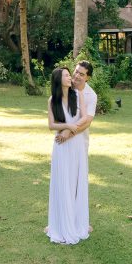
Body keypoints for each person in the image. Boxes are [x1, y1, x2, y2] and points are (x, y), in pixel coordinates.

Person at [46, 66, 90, 245]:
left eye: (68, 75)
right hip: (61, 148)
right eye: (66, 75)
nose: (70, 77)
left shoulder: (77, 94)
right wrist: (66, 127)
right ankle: (61, 225)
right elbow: (51, 125)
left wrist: (72, 128)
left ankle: (76, 223)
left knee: (75, 183)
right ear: (58, 80)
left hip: (76, 145)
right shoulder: (52, 100)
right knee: (63, 182)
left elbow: (85, 117)